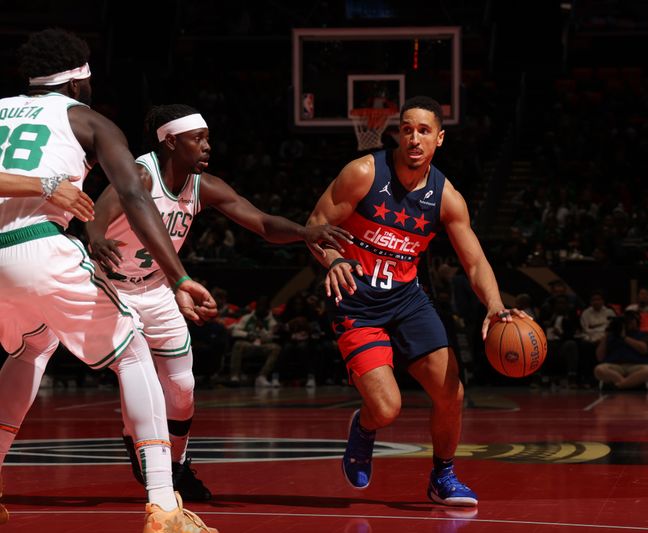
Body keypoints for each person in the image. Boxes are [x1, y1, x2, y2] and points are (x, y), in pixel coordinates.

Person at [0, 29, 217, 531]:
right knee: (133, 352)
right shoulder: (90, 120)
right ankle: (164, 504)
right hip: (38, 244)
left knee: (30, 350)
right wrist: (180, 276)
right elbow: (137, 200)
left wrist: (41, 184)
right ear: (79, 79)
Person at [81, 104, 350, 499]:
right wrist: (96, 235)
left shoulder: (202, 185)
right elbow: (96, 213)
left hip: (157, 287)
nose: (208, 146)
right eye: (198, 139)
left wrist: (304, 233)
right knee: (138, 373)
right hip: (112, 286)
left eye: (207, 138)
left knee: (183, 386)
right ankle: (140, 448)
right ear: (170, 141)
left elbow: (259, 222)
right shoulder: (140, 173)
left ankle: (179, 464)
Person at [306, 96, 530, 507]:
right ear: (396, 133)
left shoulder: (447, 197)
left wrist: (495, 306)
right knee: (387, 408)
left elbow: (475, 261)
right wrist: (334, 257)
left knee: (452, 393)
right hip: (357, 303)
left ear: (439, 138)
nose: (414, 137)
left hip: (408, 301)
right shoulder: (363, 173)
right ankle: (364, 427)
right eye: (407, 128)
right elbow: (316, 225)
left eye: (424, 130)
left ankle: (442, 477)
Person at [594, 311, 648, 390]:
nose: (629, 323)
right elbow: (600, 357)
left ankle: (620, 385)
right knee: (599, 369)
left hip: (636, 366)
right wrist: (605, 337)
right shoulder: (612, 336)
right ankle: (629, 384)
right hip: (615, 365)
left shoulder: (642, 335)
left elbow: (644, 349)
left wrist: (624, 338)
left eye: (631, 320)